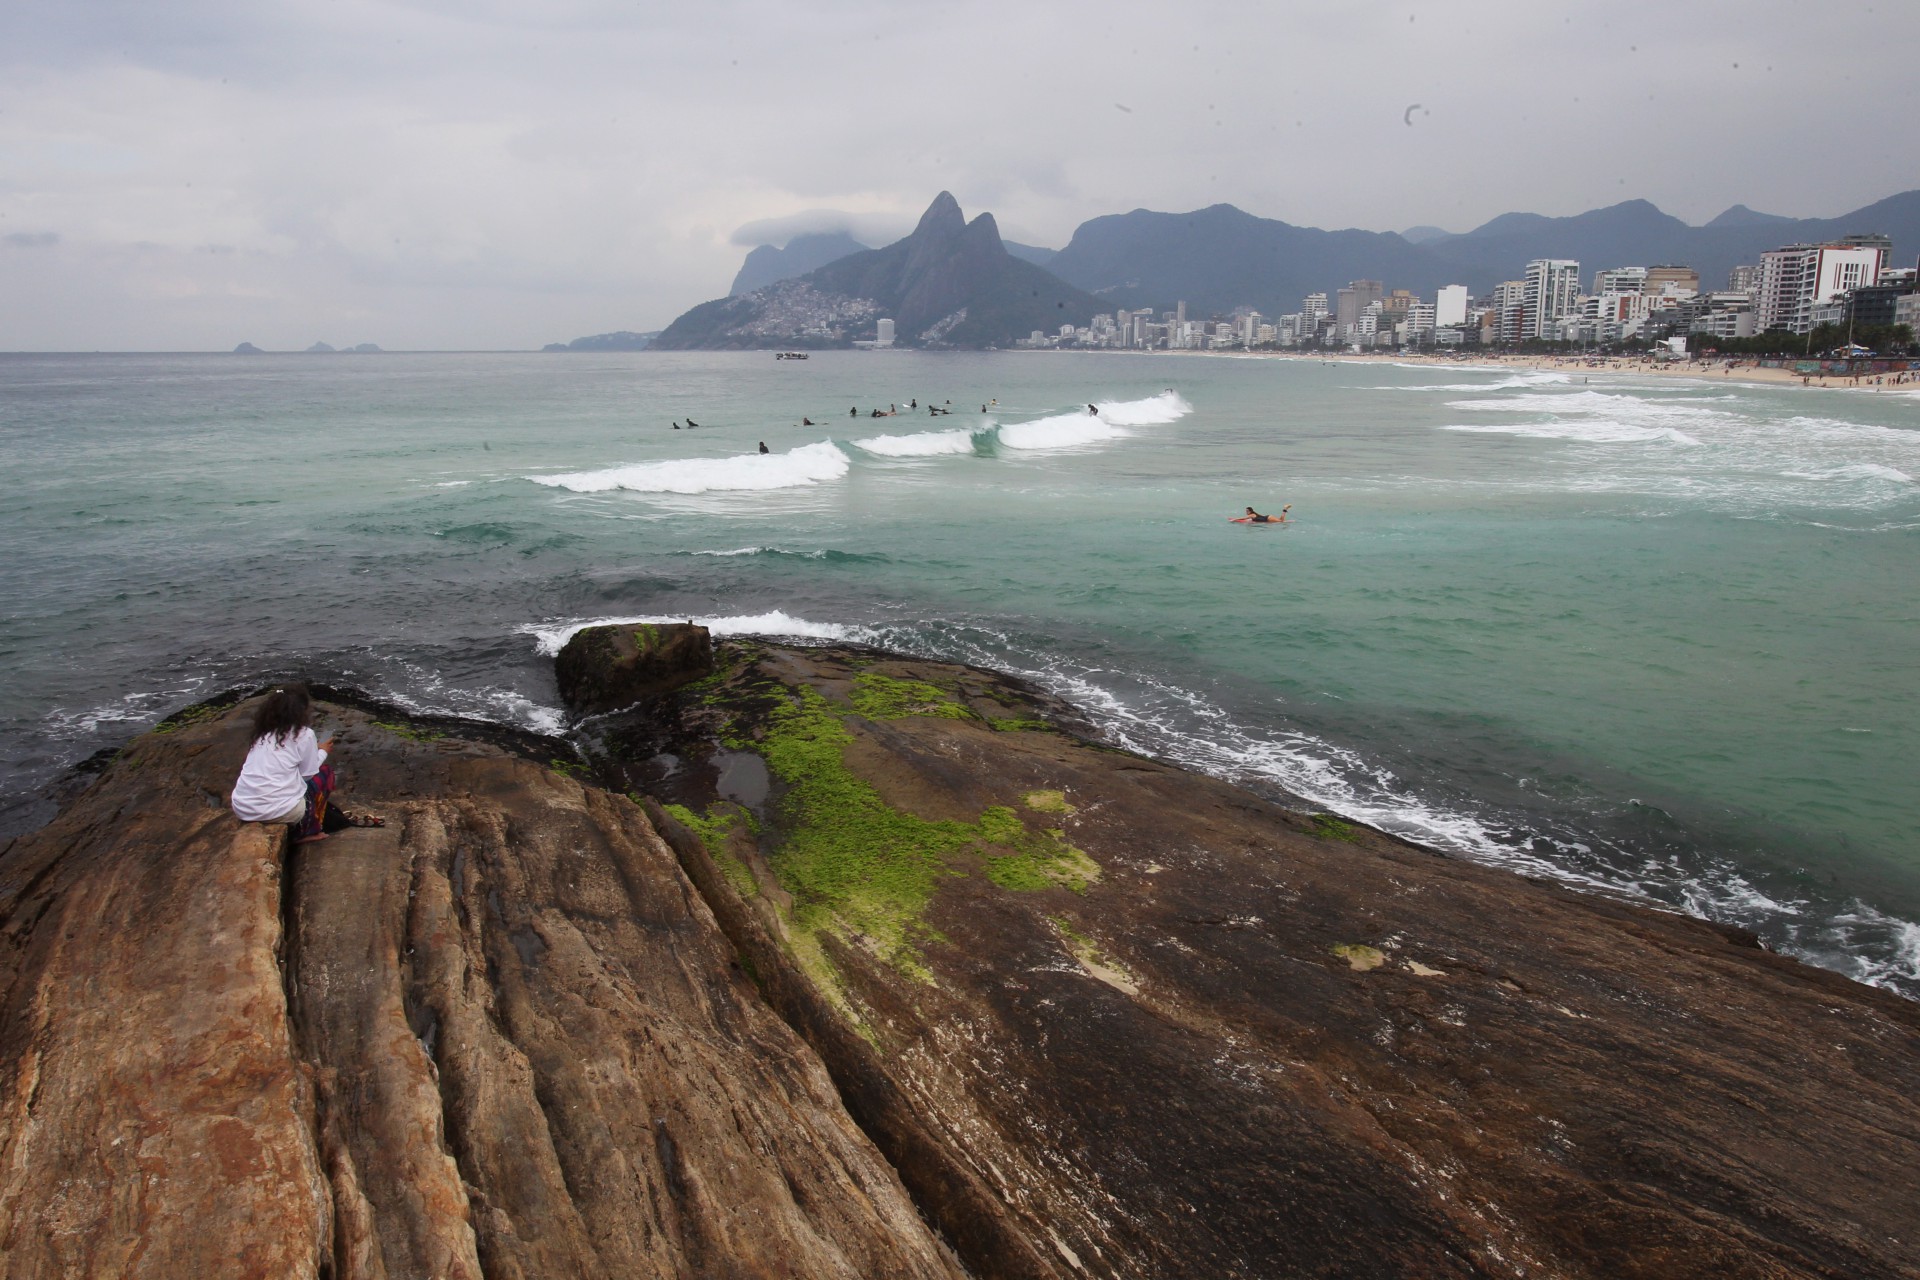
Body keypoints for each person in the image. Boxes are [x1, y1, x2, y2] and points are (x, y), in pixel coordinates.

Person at [231, 684, 382, 845]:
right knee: (324, 774)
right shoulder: (304, 734)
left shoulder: (262, 733)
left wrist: (312, 750)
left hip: (243, 808)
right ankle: (308, 830)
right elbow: (308, 775)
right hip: (278, 811)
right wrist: (323, 751)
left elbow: (281, 756)